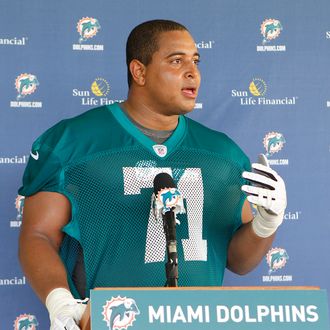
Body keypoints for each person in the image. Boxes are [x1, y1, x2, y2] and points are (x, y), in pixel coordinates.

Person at [18, 19, 287, 330]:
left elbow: (238, 261)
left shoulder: (223, 154)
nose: (192, 72)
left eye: (195, 61)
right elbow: (37, 235)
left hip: (197, 323)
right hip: (108, 322)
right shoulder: (74, 141)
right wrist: (60, 302)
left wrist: (266, 223)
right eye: (176, 60)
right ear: (139, 71)